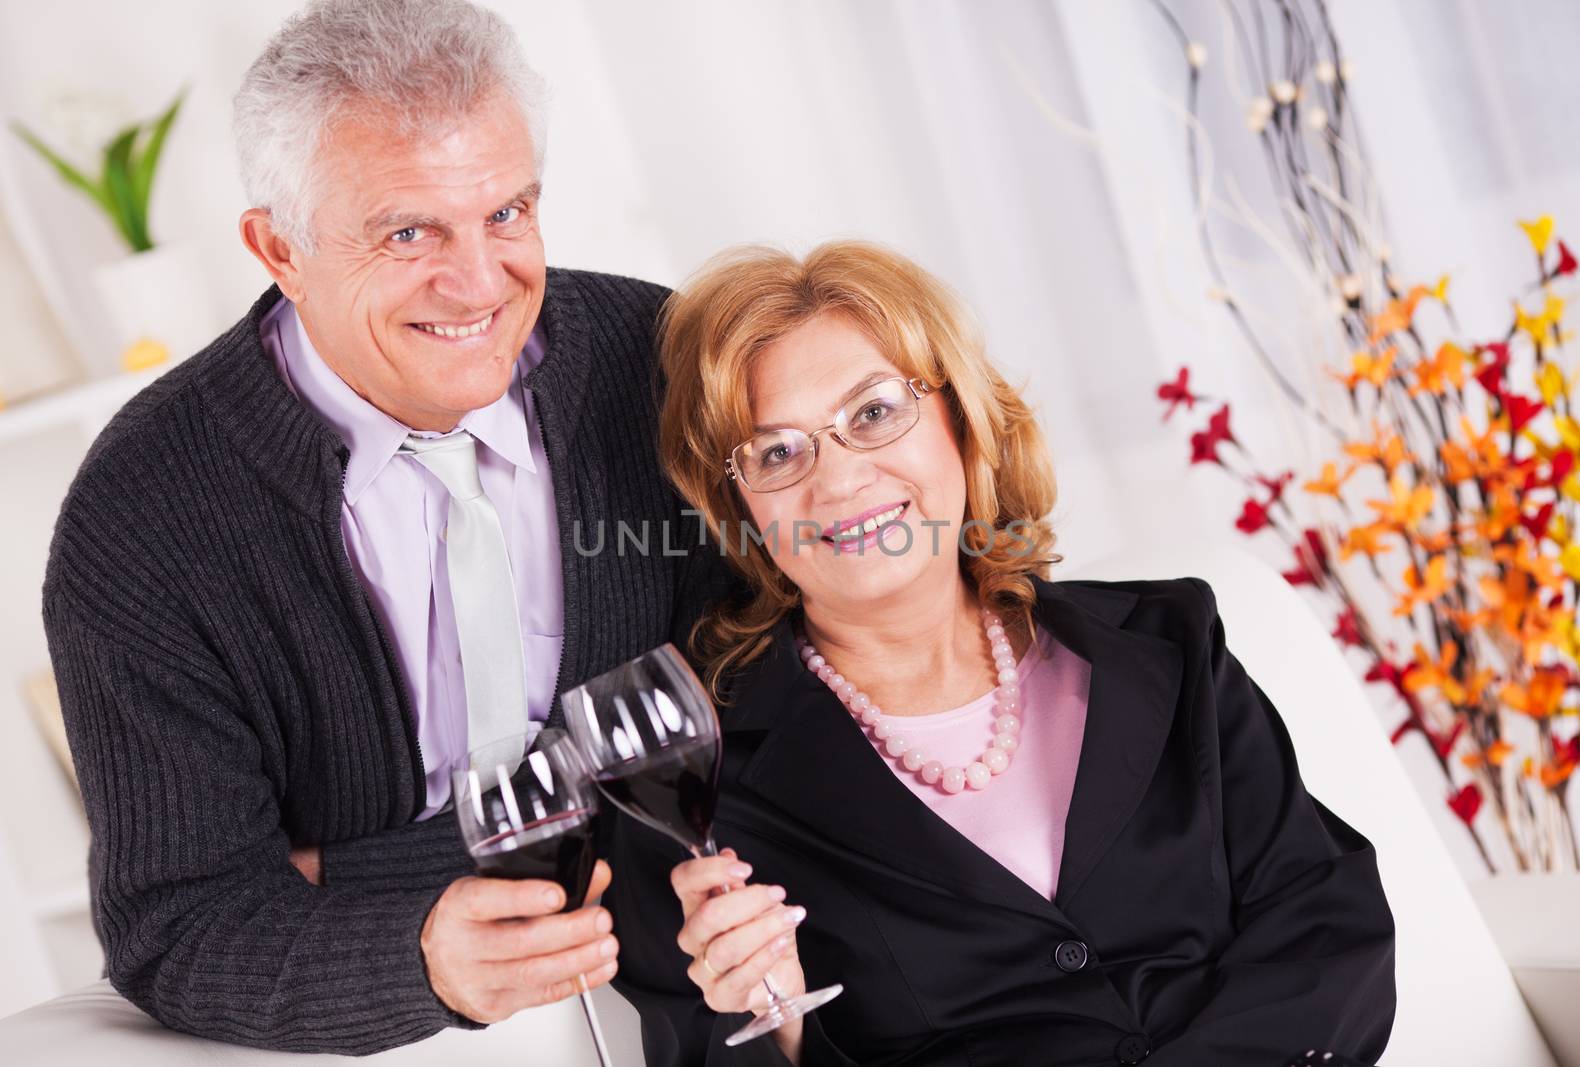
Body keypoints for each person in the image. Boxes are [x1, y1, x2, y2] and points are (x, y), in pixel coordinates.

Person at [42, 0, 720, 1053]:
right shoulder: (143, 512)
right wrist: (418, 948)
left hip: (703, 956)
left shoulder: (662, 361)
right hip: (393, 1014)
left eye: (507, 213)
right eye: (409, 232)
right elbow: (176, 921)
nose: (478, 282)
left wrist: (352, 864)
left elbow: (766, 699)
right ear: (280, 248)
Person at [606, 241, 1397, 1066]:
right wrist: (783, 1033)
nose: (838, 480)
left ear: (960, 417)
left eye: (873, 411)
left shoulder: (1171, 639)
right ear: (740, 511)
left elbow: (1329, 931)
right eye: (777, 452)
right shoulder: (692, 795)